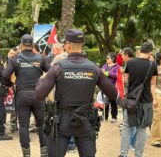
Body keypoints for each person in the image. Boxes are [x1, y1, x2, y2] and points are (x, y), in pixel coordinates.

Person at [35, 29, 121, 157]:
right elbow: (113, 94)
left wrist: (40, 80)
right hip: (85, 120)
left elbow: (39, 95)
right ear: (82, 45)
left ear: (68, 45)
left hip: (61, 122)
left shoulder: (58, 68)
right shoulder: (94, 68)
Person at [2, 34, 50, 157]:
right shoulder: (41, 58)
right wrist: (44, 87)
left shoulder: (15, 59)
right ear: (32, 44)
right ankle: (44, 153)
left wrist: (9, 84)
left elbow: (5, 76)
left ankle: (26, 154)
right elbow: (52, 74)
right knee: (42, 125)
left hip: (22, 96)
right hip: (38, 95)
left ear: (21, 44)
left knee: (23, 126)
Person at [119, 42, 158, 157]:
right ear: (150, 52)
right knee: (142, 128)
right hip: (146, 100)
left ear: (140, 50)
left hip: (131, 99)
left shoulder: (130, 63)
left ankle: (123, 154)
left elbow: (126, 80)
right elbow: (153, 84)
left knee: (126, 126)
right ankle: (138, 154)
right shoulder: (153, 65)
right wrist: (154, 99)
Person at [120, 47, 136, 152]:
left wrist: (123, 75)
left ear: (126, 55)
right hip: (132, 96)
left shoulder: (130, 64)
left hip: (131, 96)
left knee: (131, 122)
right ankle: (131, 143)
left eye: (122, 54)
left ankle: (130, 144)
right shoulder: (132, 63)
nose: (121, 56)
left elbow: (127, 81)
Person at [102, 52, 120, 123]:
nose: (106, 59)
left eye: (107, 58)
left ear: (112, 59)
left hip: (113, 87)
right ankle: (104, 116)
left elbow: (117, 75)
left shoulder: (117, 66)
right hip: (105, 86)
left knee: (113, 102)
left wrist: (107, 73)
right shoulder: (105, 65)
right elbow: (101, 72)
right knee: (105, 102)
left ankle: (114, 117)